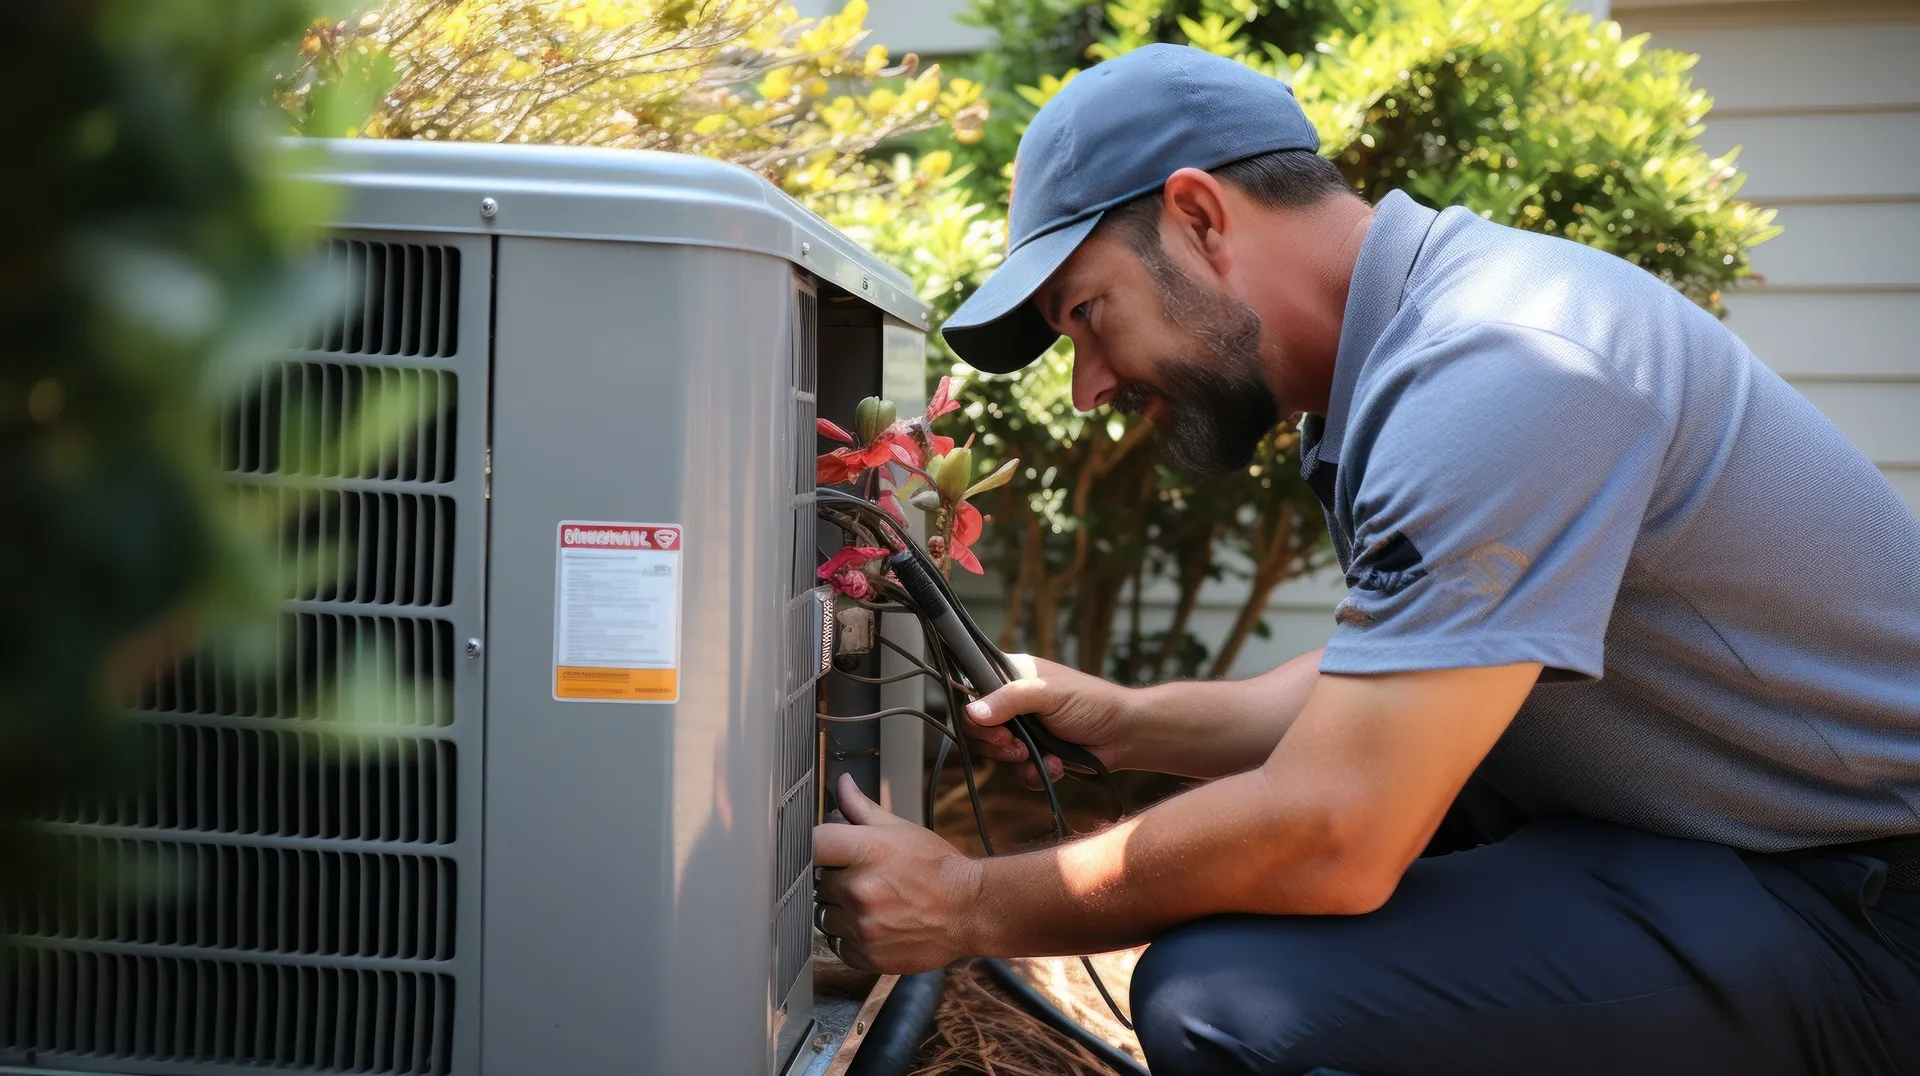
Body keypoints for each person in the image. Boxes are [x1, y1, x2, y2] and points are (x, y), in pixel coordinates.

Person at [811, 43, 1920, 1075]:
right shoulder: (1410, 351)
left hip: (1862, 906)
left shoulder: (1503, 366)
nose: (1091, 384)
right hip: (1738, 854)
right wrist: (1135, 720)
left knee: (1230, 997)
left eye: (1090, 314)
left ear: (1199, 216)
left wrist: (969, 899)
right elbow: (1414, 677)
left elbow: (1336, 828)